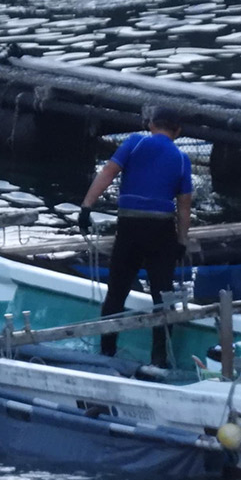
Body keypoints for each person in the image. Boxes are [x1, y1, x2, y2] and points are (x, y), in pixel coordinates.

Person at [78, 106, 192, 367]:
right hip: (161, 230)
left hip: (129, 226)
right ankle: (159, 361)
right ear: (178, 132)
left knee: (116, 292)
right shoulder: (182, 158)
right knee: (163, 297)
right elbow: (184, 206)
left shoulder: (134, 142)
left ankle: (106, 353)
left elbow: (107, 172)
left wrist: (86, 207)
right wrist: (182, 241)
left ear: (151, 125)